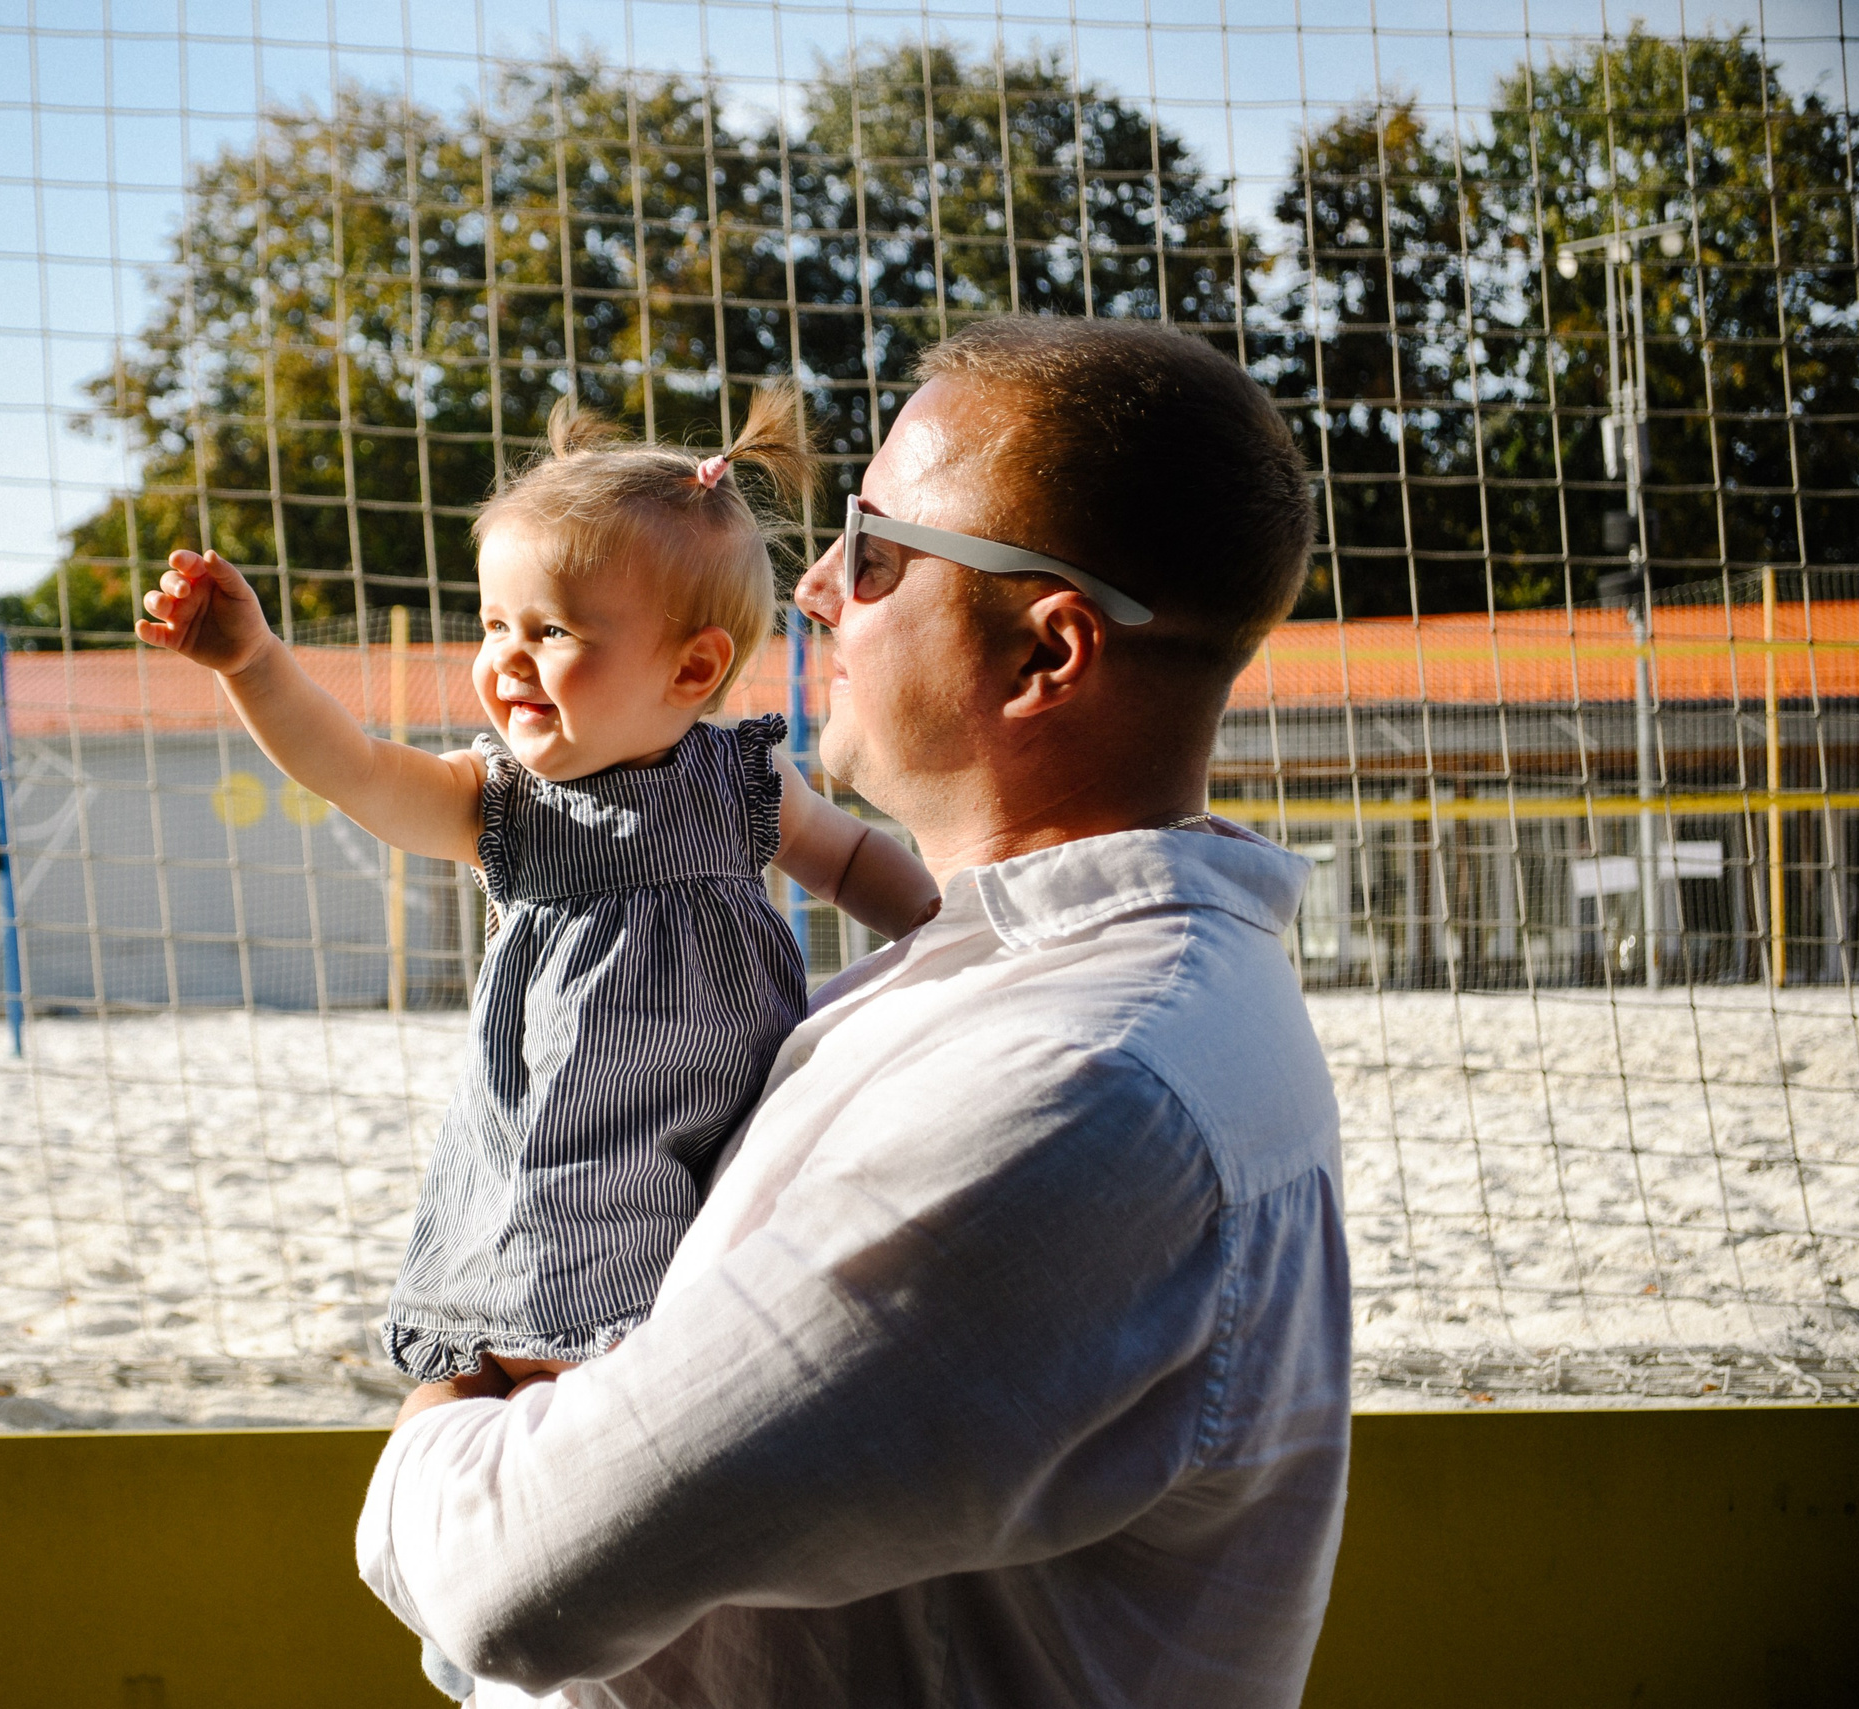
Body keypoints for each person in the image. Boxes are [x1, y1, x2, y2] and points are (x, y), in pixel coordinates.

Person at [355, 315, 1352, 1708]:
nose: (817, 586)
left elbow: (505, 1578)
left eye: (876, 551)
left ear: (1048, 652)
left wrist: (448, 1383)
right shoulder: (1016, 976)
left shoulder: (1076, 1088)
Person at [134, 382, 939, 1699]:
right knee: (513, 1370)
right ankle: (475, 1617)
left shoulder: (743, 782)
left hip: (722, 1151)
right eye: (494, 625)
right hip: (563, 1165)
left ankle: (565, 1609)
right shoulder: (502, 806)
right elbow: (352, 768)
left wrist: (956, 941)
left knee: (666, 1394)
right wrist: (253, 663)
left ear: (691, 670)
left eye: (551, 630)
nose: (504, 658)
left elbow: (860, 865)